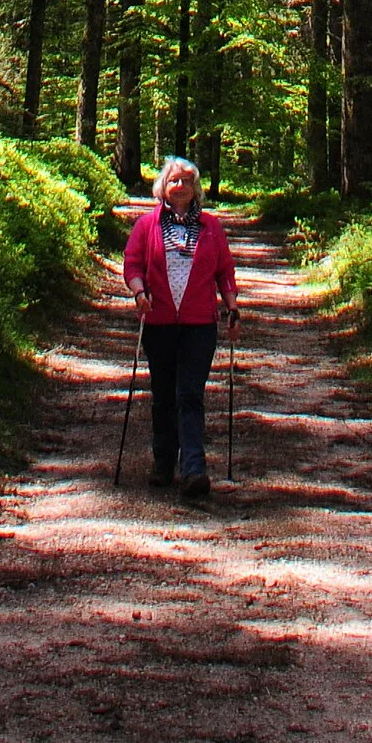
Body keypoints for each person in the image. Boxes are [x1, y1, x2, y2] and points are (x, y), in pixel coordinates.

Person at [122, 155, 238, 499]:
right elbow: (133, 265)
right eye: (174, 180)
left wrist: (232, 306)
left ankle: (193, 469)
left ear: (195, 188)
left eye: (187, 181)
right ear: (163, 187)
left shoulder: (211, 227)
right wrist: (139, 292)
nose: (180, 186)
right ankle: (162, 462)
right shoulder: (147, 225)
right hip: (158, 323)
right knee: (163, 395)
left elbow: (225, 271)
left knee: (189, 395)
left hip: (199, 325)